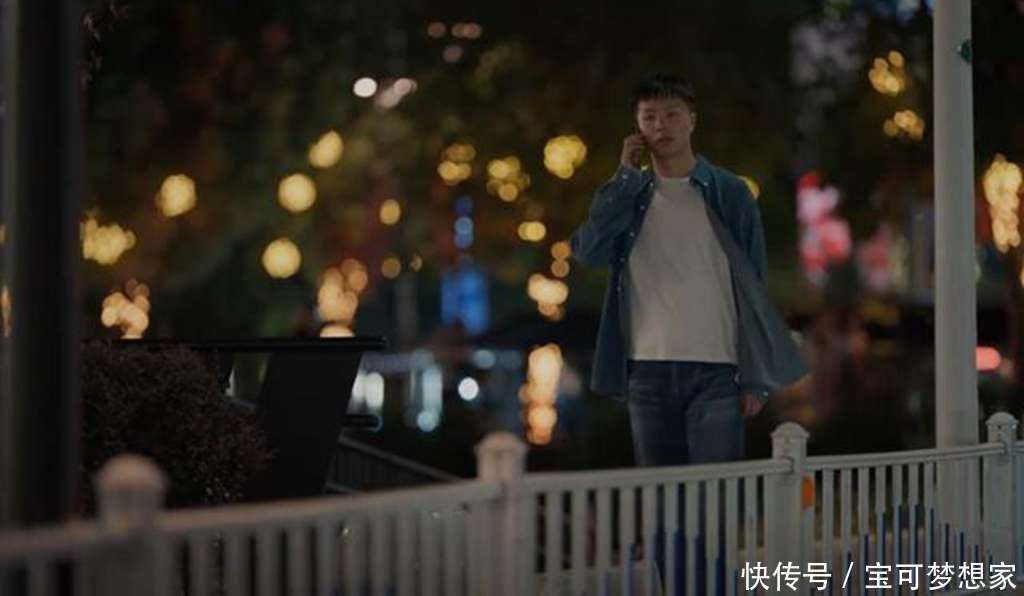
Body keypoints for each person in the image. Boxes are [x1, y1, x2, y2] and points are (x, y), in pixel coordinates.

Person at [570, 74, 810, 592]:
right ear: (637, 126)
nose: (661, 126)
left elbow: (754, 284)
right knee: (663, 509)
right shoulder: (629, 196)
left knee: (712, 506)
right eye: (650, 117)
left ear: (692, 121)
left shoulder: (728, 191)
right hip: (647, 372)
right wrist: (623, 177)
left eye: (671, 114)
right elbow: (587, 251)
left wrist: (756, 375)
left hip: (718, 371)